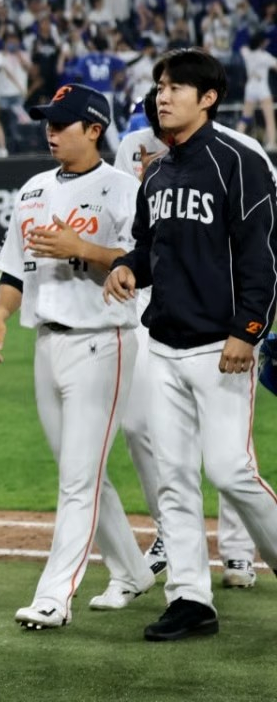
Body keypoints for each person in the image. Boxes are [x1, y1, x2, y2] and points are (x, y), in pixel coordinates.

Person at [104, 48, 277, 641]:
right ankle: (189, 598)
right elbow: (148, 248)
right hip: (163, 345)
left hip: (220, 347)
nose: (162, 95)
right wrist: (128, 267)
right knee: (174, 477)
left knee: (230, 470)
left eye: (176, 86)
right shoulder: (160, 170)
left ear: (207, 98)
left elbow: (262, 258)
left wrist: (247, 331)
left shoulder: (239, 161)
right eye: (159, 85)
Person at [0, 83, 155, 630]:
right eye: (47, 122)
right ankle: (132, 569)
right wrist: (0, 316)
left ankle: (55, 596)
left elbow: (141, 263)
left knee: (78, 479)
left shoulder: (124, 189)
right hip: (47, 342)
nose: (50, 131)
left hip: (104, 343)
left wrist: (83, 249)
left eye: (62, 123)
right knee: (81, 473)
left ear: (95, 129)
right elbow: (15, 267)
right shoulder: (33, 189)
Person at [238, 32, 277, 151]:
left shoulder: (247, 53)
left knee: (245, 118)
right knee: (269, 119)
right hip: (262, 89)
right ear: (261, 43)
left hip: (250, 88)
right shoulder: (265, 56)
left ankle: (237, 141)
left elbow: (242, 47)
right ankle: (271, 144)